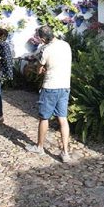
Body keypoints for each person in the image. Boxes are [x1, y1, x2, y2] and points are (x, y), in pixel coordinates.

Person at [25, 25, 72, 163]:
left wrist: (42, 68)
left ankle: (40, 147)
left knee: (44, 117)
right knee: (63, 119)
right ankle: (65, 152)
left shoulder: (46, 49)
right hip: (65, 86)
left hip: (50, 86)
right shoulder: (66, 45)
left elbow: (39, 70)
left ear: (43, 38)